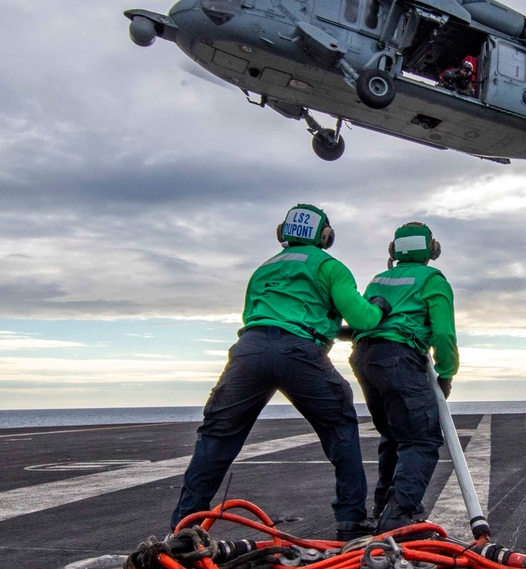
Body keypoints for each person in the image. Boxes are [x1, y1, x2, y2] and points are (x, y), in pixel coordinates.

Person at [170, 203, 390, 540]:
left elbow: (252, 314)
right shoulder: (330, 267)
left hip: (250, 351)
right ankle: (351, 519)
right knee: (340, 428)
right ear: (326, 237)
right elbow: (362, 319)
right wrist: (378, 308)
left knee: (216, 437)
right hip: (301, 352)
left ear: (282, 233)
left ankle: (184, 528)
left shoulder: (264, 269)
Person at [350, 222, 459, 532]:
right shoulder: (432, 279)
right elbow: (442, 332)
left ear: (394, 250)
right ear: (432, 250)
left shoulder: (378, 279)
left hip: (365, 357)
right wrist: (446, 373)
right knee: (421, 439)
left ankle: (384, 505)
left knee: (395, 434)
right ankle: (399, 517)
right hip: (399, 358)